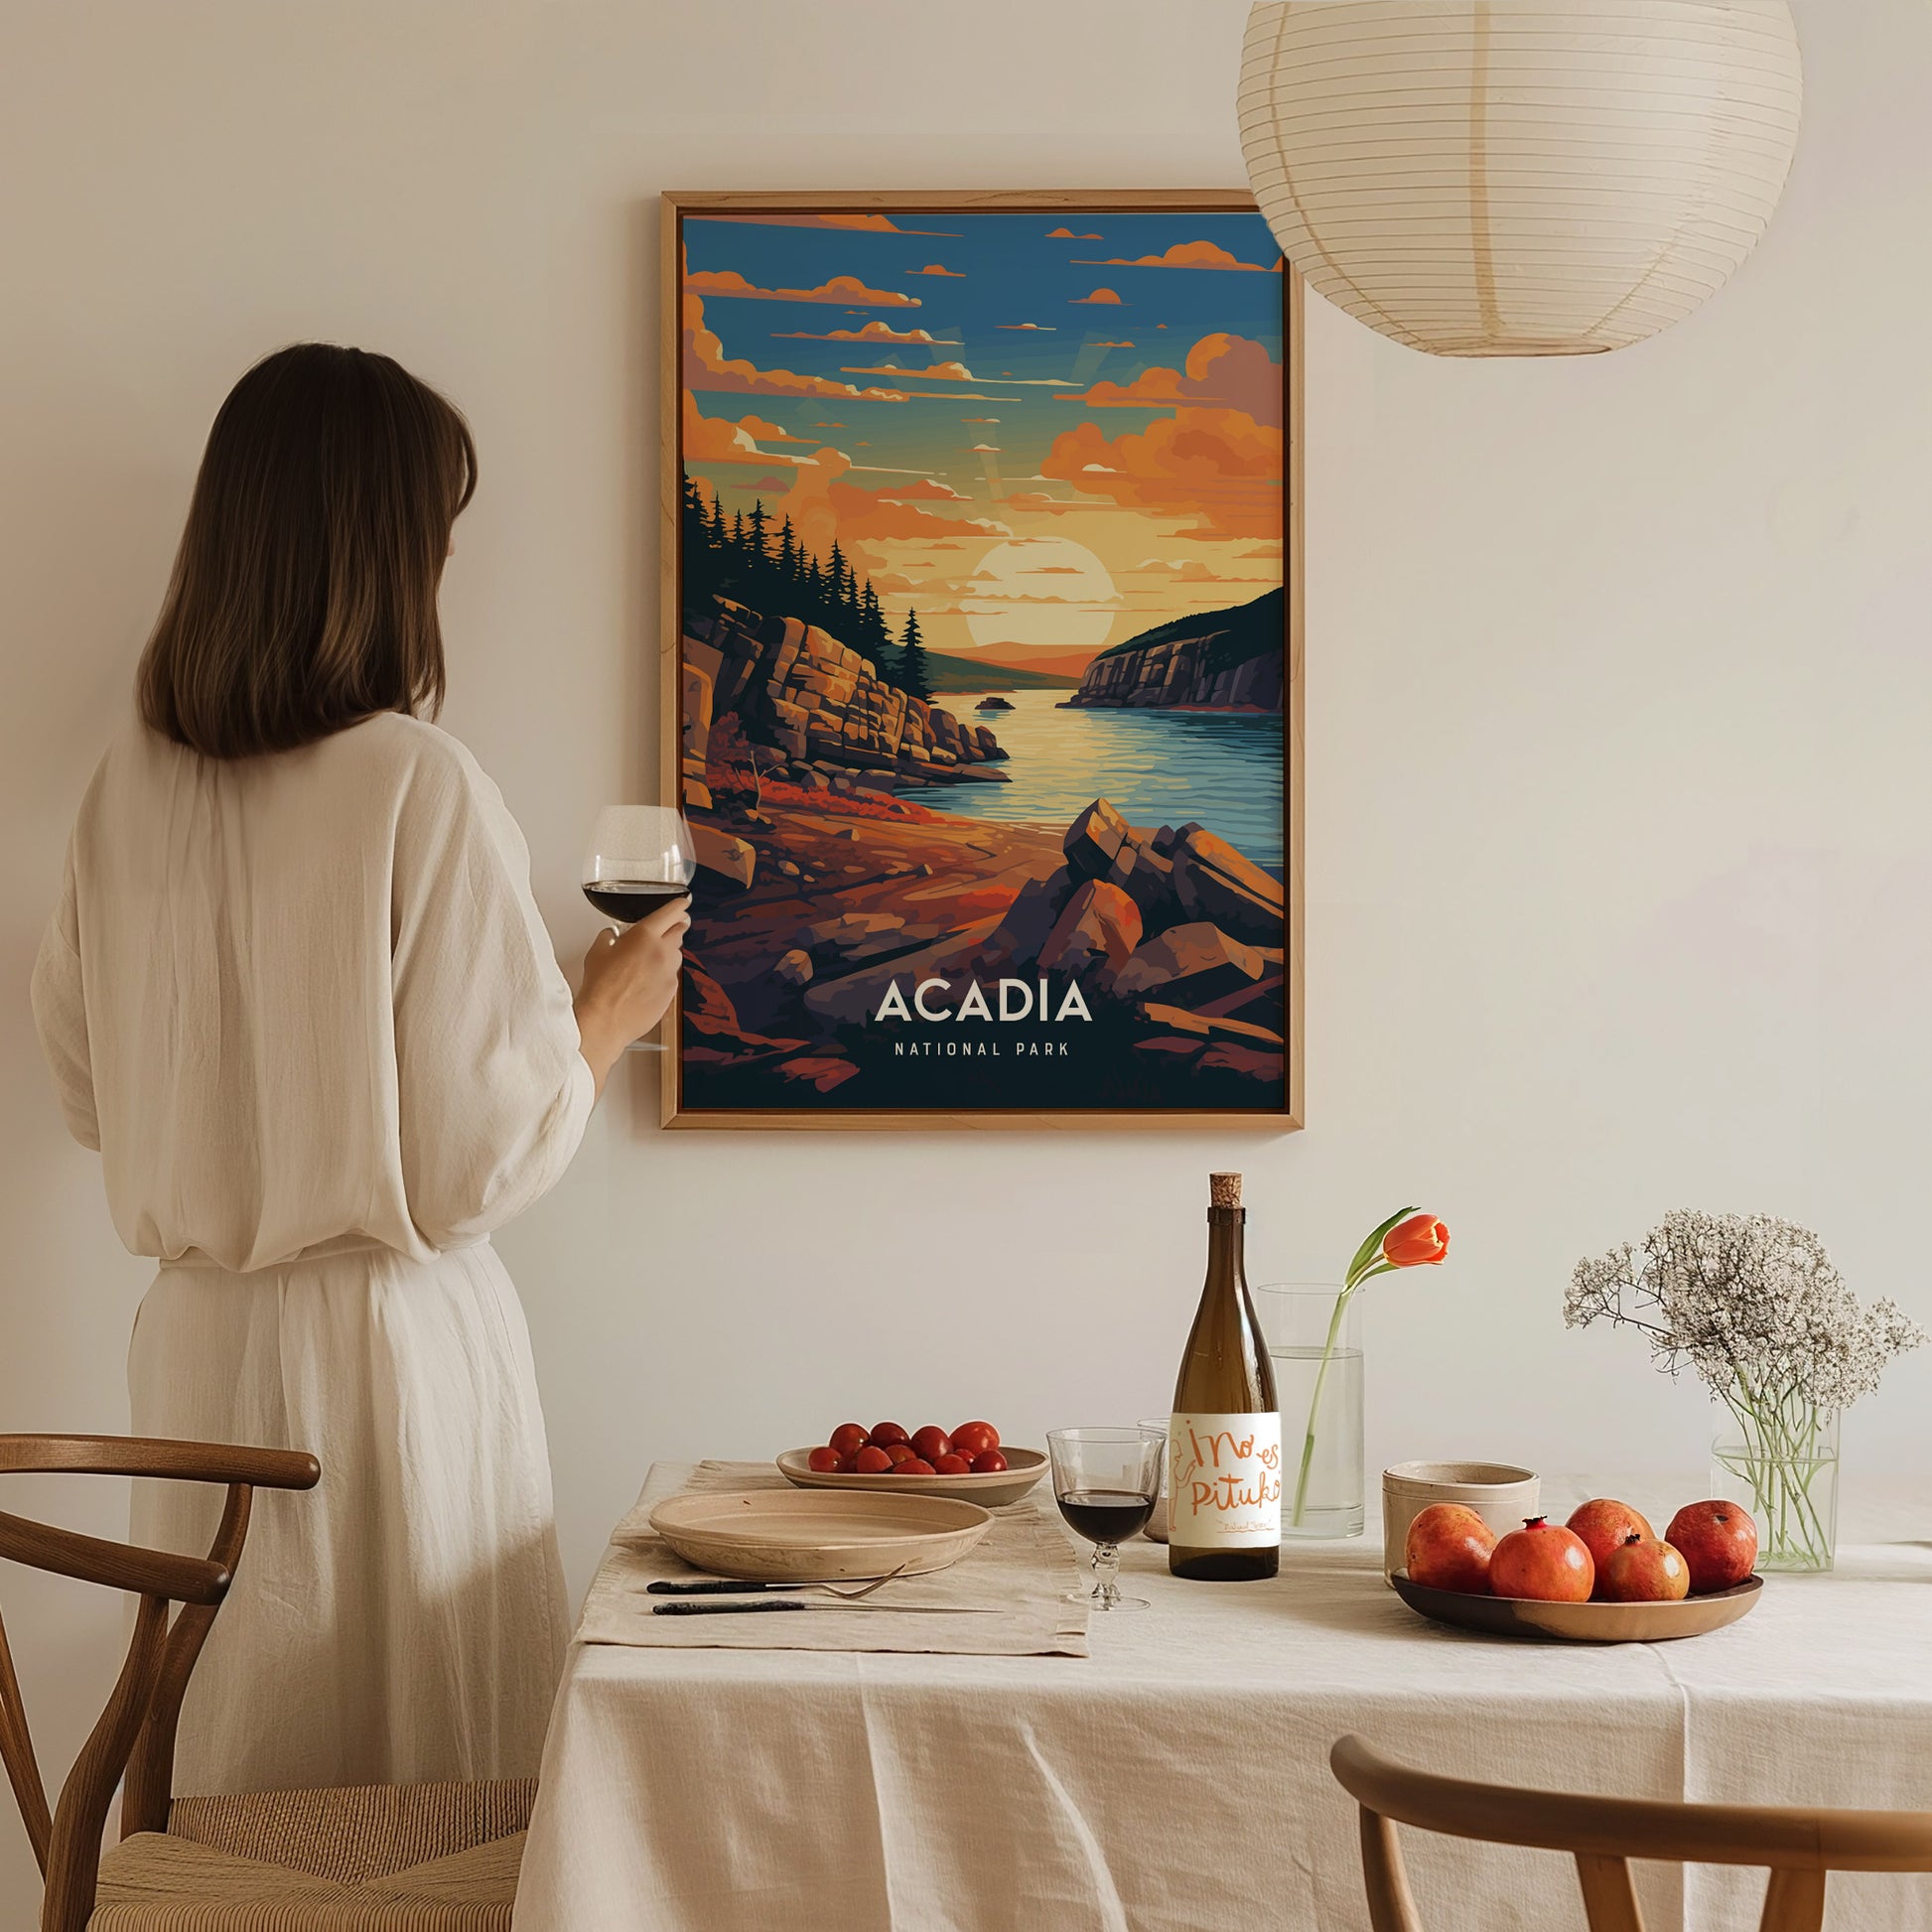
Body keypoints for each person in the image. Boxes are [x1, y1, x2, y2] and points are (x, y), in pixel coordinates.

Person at [29, 343, 684, 1793]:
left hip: (197, 1352)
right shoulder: (414, 780)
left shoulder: (122, 792)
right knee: (420, 1798)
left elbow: (87, 1093)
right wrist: (601, 1014)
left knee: (239, 1777)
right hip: (387, 1363)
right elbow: (470, 1165)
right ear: (384, 553)